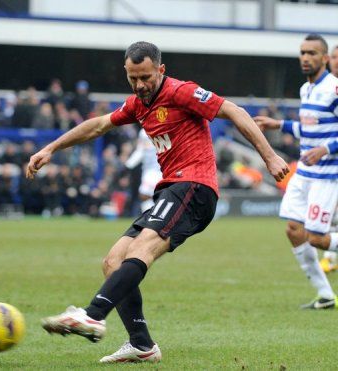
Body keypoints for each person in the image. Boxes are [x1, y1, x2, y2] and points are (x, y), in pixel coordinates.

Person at [26, 41, 288, 363]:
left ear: (161, 70)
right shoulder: (138, 104)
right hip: (170, 191)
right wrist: (51, 148)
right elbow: (98, 125)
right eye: (133, 78)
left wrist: (270, 156)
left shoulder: (181, 92)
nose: (140, 85)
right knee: (113, 262)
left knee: (141, 250)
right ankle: (142, 344)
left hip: (194, 186)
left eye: (146, 77)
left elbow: (234, 110)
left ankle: (92, 315)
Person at [255, 34, 338, 309]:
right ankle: (325, 294)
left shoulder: (334, 88)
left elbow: (325, 138)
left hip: (327, 174)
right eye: (303, 52)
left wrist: (325, 149)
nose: (306, 57)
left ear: (325, 58)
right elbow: (309, 127)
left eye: (312, 53)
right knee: (293, 229)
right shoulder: (306, 90)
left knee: (316, 236)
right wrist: (277, 124)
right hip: (304, 172)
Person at [319, 44, 338, 273]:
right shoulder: (323, 90)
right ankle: (330, 259)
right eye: (332, 57)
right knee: (330, 212)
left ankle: (330, 258)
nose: (335, 61)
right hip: (330, 164)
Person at [125, 129, 163, 212]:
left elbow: (140, 151)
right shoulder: (143, 132)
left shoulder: (163, 128)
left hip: (157, 169)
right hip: (149, 169)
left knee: (145, 195)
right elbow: (140, 151)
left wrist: (128, 165)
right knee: (147, 195)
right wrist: (129, 165)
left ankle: (152, 217)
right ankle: (152, 217)